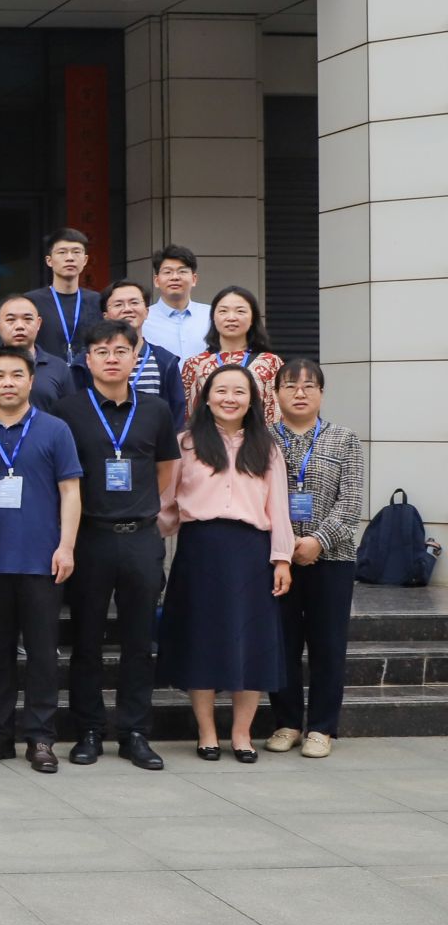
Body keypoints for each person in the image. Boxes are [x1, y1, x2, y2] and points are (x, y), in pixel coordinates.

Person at [55, 319, 181, 771]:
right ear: (87, 360)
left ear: (135, 357)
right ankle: (88, 730)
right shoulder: (68, 410)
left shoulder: (156, 410)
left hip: (140, 538)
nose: (112, 358)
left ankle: (134, 732)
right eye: (102, 351)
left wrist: (143, 505)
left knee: (138, 641)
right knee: (86, 639)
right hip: (90, 537)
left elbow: (166, 467)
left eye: (121, 351)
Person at [158, 366, 294, 762]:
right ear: (206, 397)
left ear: (252, 400)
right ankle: (206, 732)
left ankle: (241, 733)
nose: (229, 398)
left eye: (239, 391)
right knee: (201, 640)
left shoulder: (266, 447)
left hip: (252, 552)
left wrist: (282, 558)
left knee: (250, 643)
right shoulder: (185, 444)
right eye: (221, 391)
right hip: (200, 550)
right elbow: (166, 502)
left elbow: (278, 507)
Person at [0, 346, 81, 775]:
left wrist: (66, 546)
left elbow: (70, 491)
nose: (8, 383)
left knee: (43, 654)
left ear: (31, 381)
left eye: (17, 375)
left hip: (41, 560)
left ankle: (41, 737)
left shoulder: (55, 429)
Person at [267, 359, 364, 758]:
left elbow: (351, 502)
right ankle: (287, 723)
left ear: (322, 393)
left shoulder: (344, 439)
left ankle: (322, 728)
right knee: (281, 643)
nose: (300, 393)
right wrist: (285, 544)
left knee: (327, 645)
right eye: (290, 385)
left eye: (309, 386)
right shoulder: (262, 439)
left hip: (333, 558)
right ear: (276, 394)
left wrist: (318, 541)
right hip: (277, 560)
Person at [82, 279, 186, 429]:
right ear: (105, 315)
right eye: (118, 304)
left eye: (134, 303)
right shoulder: (87, 361)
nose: (127, 309)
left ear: (147, 311)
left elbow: (176, 414)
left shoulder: (165, 360)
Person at [0, 294, 75, 416]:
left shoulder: (59, 368)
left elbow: (69, 415)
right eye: (11, 320)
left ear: (38, 323)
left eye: (27, 319)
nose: (19, 326)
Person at [179, 285, 282, 424]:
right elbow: (188, 417)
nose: (231, 317)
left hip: (257, 437)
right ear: (213, 317)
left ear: (253, 318)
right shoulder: (195, 364)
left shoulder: (270, 363)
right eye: (223, 311)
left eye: (240, 311)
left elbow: (276, 416)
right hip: (206, 437)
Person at [25, 228, 101, 367]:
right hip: (44, 374)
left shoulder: (98, 301)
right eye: (62, 252)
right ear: (49, 260)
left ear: (85, 260)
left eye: (76, 252)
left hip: (88, 375)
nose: (70, 258)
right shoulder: (31, 302)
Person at [143, 244, 211, 361]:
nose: (175, 277)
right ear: (156, 281)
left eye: (182, 271)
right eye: (167, 272)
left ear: (194, 279)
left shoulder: (212, 315)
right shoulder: (143, 319)